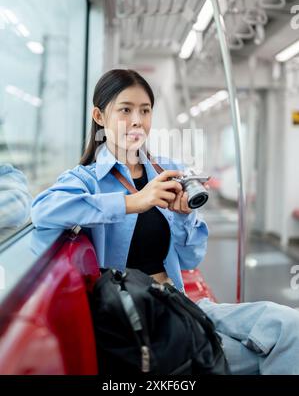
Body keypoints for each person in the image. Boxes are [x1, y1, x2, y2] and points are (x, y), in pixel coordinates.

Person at [31, 69, 299, 375]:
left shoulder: (167, 171)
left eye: (145, 111)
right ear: (100, 117)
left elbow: (190, 258)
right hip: (138, 320)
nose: (137, 120)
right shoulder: (86, 180)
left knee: (288, 327)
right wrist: (133, 202)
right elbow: (43, 210)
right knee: (259, 355)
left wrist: (185, 216)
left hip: (178, 301)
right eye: (125, 110)